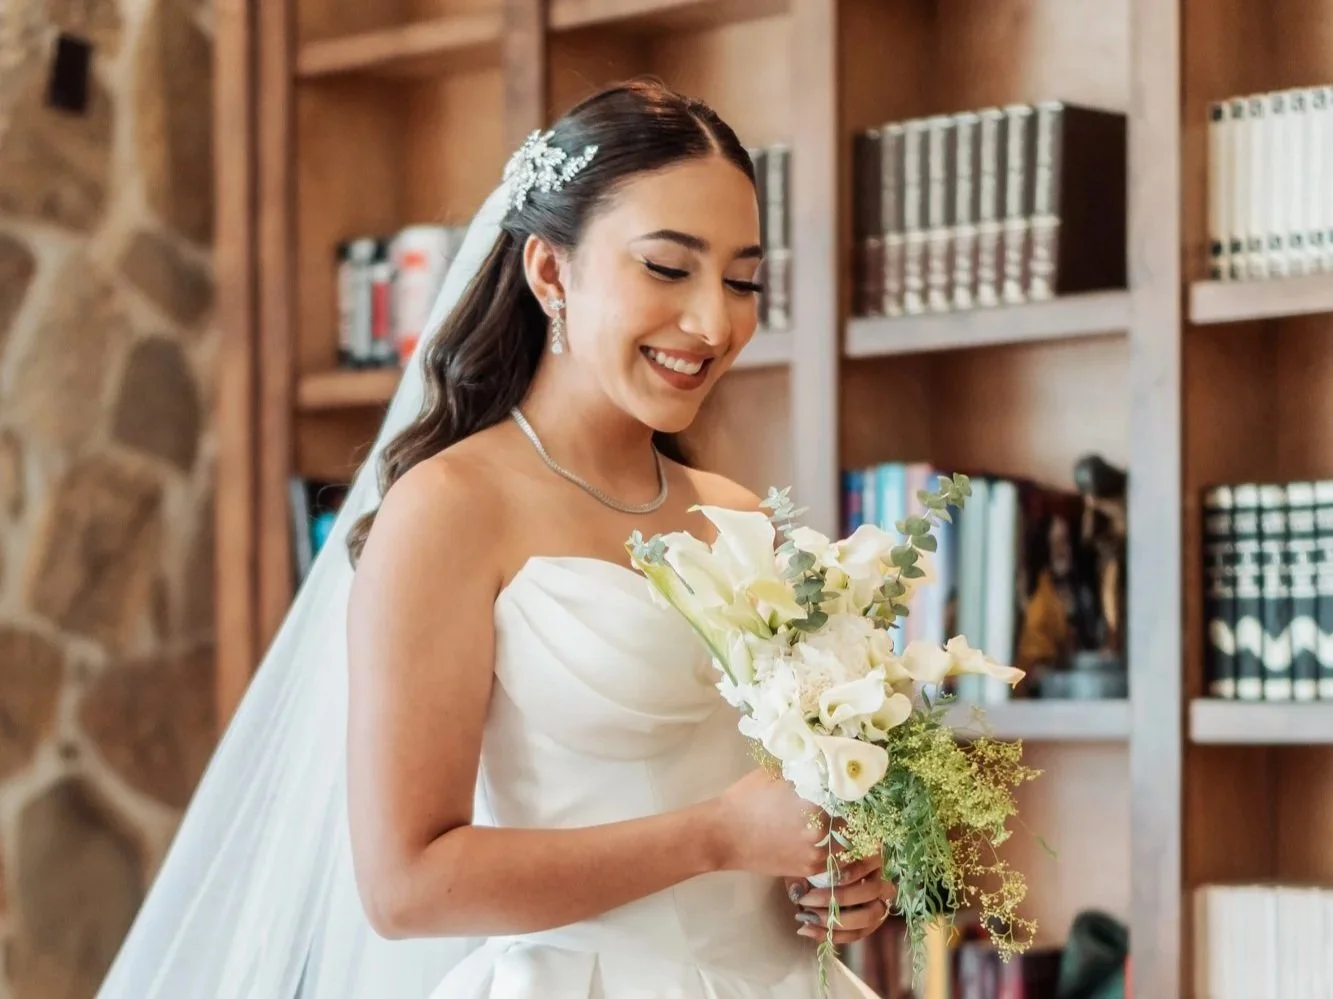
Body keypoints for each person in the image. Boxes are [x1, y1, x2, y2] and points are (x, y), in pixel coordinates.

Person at [95, 79, 892, 998]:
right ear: (550, 272)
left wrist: (834, 877)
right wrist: (717, 835)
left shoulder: (746, 519)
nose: (714, 321)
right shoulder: (448, 509)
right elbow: (406, 884)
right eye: (668, 269)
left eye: (743, 280)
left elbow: (779, 814)